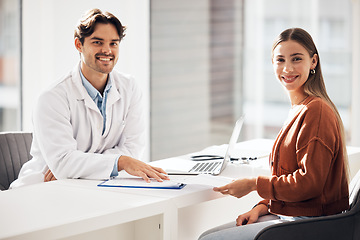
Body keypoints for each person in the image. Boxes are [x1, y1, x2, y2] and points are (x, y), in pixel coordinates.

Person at [198, 27, 350, 240]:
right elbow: (289, 179)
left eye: (296, 59)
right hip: (293, 215)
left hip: (309, 224)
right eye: (280, 60)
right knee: (210, 235)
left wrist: (253, 184)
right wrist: (262, 207)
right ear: (272, 64)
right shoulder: (300, 108)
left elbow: (309, 183)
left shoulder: (316, 111)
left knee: (209, 239)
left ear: (313, 61)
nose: (287, 68)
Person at [10, 8, 168, 188]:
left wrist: (78, 168)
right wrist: (120, 162)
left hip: (96, 185)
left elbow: (134, 149)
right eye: (97, 42)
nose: (107, 50)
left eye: (113, 43)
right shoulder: (52, 97)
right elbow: (63, 162)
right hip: (42, 189)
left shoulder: (129, 88)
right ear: (79, 44)